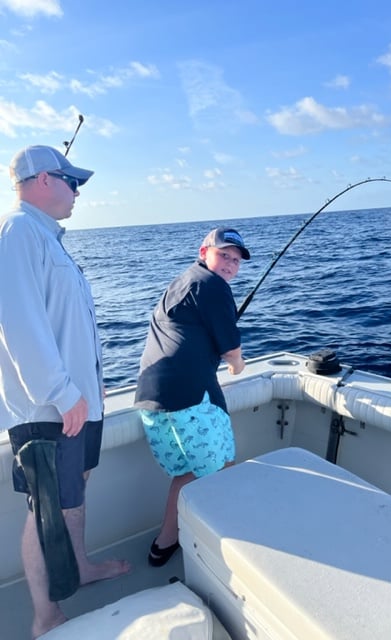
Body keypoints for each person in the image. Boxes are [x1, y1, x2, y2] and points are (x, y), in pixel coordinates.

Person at [0, 145, 130, 639]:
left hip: (77, 404)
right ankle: (43, 614)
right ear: (43, 180)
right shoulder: (16, 232)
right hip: (49, 408)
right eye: (72, 181)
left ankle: (80, 565)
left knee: (75, 493)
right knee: (46, 505)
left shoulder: (46, 239)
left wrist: (88, 391)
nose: (78, 191)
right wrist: (60, 390)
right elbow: (18, 324)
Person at [134, 226, 250, 566]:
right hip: (190, 399)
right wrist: (237, 366)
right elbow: (232, 351)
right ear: (204, 252)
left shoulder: (183, 282)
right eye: (223, 255)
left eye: (236, 259)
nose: (230, 264)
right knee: (218, 469)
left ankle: (164, 542)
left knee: (188, 471)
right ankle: (219, 553)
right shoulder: (213, 285)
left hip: (152, 399)